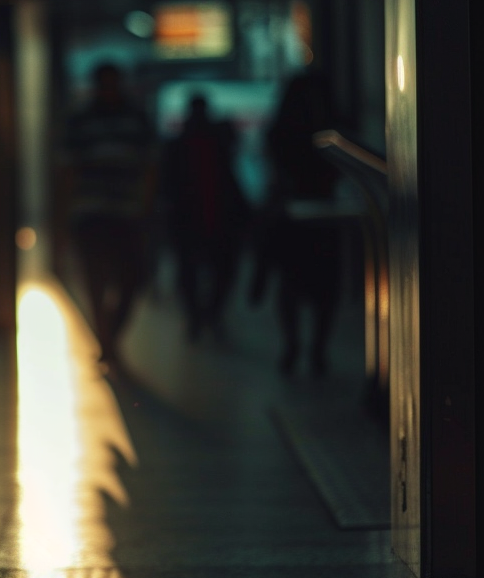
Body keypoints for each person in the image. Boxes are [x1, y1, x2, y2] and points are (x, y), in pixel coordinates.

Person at [59, 62, 157, 367]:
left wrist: (145, 206)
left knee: (132, 279)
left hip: (126, 210)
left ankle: (109, 336)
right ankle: (107, 341)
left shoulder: (136, 118)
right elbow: (67, 170)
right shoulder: (80, 120)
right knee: (96, 280)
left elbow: (151, 165)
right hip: (91, 211)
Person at [251, 70, 340, 375]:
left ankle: (297, 347)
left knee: (293, 286)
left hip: (296, 214)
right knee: (322, 289)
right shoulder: (331, 128)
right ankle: (314, 350)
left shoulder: (281, 130)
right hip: (321, 213)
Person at [165, 95, 247, 340]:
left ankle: (201, 316)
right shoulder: (210, 142)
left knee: (195, 272)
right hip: (208, 215)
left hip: (197, 216)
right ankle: (206, 315)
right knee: (215, 271)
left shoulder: (182, 144)